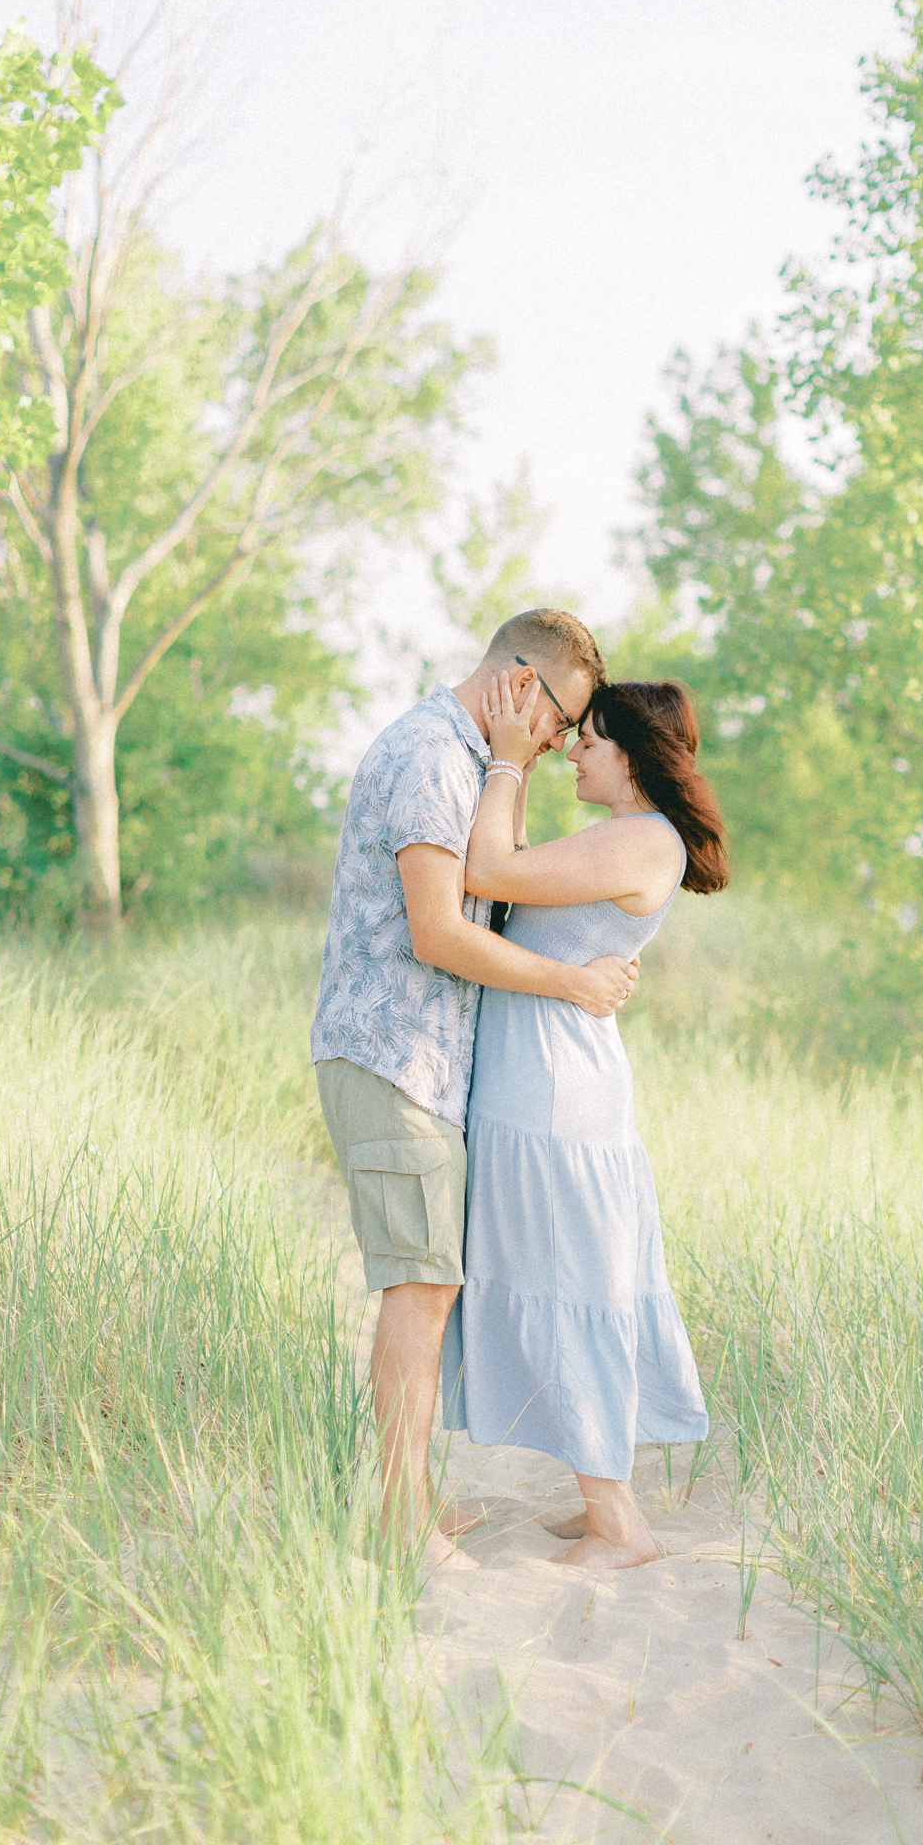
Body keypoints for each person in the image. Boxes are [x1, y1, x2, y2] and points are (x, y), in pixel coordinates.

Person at [310, 611, 642, 1566]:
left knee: (434, 1285)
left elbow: (494, 889)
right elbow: (438, 933)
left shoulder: (477, 759)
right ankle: (396, 1521)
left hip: (431, 1063)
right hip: (391, 1054)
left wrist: (514, 769)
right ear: (519, 681)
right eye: (560, 717)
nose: (560, 740)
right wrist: (575, 985)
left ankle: (406, 1503)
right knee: (420, 1288)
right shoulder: (429, 756)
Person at [442, 672, 729, 1570]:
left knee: (571, 1289)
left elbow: (487, 870)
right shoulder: (623, 838)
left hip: (557, 1097)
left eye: (590, 742)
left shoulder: (644, 841)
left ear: (635, 760)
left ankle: (618, 1526)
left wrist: (504, 756)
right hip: (541, 1084)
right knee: (563, 1282)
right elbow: (514, 882)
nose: (573, 751)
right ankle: (603, 1501)